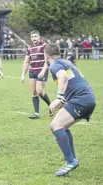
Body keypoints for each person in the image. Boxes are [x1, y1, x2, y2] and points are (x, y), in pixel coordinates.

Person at [45, 43, 96, 176]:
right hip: (87, 98)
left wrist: (59, 97)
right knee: (63, 126)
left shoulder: (55, 64)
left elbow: (63, 77)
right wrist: (62, 102)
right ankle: (73, 159)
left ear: (47, 55)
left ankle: (70, 161)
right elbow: (71, 82)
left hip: (81, 100)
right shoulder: (65, 62)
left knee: (55, 125)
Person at [21, 30, 51, 119]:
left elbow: (47, 60)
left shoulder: (44, 46)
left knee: (39, 91)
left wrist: (43, 71)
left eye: (35, 36)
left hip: (42, 72)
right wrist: (23, 74)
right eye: (32, 37)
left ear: (39, 37)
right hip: (32, 72)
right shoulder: (29, 48)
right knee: (34, 92)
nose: (34, 38)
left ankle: (51, 105)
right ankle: (36, 113)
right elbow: (26, 62)